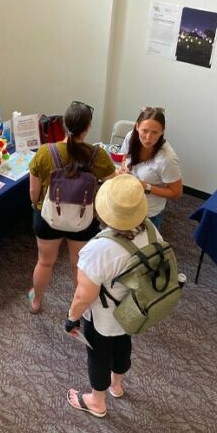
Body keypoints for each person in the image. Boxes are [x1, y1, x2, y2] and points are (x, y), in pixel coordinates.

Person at [65, 174, 162, 418]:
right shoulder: (151, 230)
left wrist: (72, 318)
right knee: (122, 344)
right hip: (135, 309)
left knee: (98, 355)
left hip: (105, 316)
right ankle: (116, 385)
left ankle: (97, 401)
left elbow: (83, 296)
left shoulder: (98, 249)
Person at [27, 101, 115, 314]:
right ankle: (81, 307)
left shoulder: (45, 152)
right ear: (88, 128)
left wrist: (36, 207)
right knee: (80, 266)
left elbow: (33, 192)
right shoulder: (98, 156)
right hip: (84, 222)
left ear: (65, 125)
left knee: (45, 263)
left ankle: (36, 301)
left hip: (48, 218)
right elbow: (111, 188)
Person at [118, 107, 182, 230]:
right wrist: (124, 168)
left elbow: (177, 193)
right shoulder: (130, 137)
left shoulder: (167, 159)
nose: (148, 138)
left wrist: (146, 187)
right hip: (127, 201)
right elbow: (124, 158)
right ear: (137, 127)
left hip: (148, 212)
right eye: (144, 131)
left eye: (154, 133)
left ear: (162, 131)